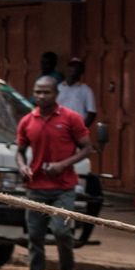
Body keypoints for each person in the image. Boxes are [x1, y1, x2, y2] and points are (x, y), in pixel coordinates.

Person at [16, 75, 89, 270]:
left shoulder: (71, 118)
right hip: (36, 188)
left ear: (56, 95)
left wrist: (63, 164)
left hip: (63, 187)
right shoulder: (27, 121)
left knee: (62, 232)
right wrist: (22, 167)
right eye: (37, 91)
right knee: (35, 235)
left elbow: (87, 148)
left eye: (46, 92)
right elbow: (19, 152)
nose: (41, 96)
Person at [57, 56, 103, 243]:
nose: (73, 71)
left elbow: (91, 113)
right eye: (71, 67)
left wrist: (79, 130)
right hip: (57, 134)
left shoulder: (85, 91)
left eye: (78, 68)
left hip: (76, 136)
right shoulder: (58, 88)